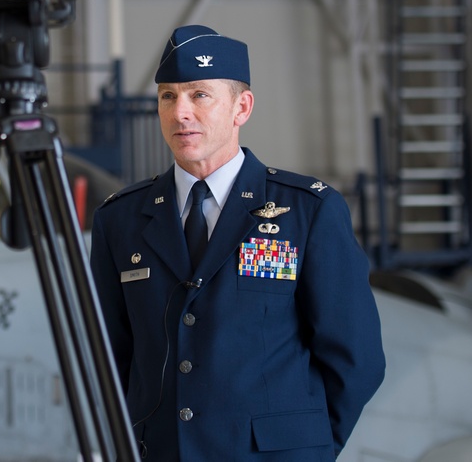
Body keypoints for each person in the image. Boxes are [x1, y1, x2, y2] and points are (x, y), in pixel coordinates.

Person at [90, 24, 385, 461]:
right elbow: (109, 356)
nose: (180, 112)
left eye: (199, 95)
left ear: (241, 107)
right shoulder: (121, 219)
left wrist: (305, 447)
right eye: (168, 96)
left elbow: (355, 358)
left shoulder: (307, 212)